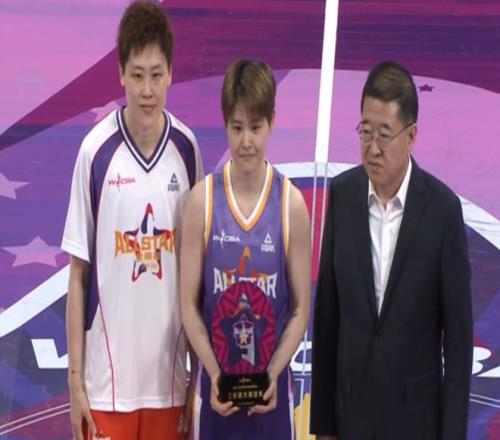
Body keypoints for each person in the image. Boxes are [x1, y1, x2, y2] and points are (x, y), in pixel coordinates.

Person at [61, 1, 203, 439]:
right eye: (137, 75)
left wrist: (196, 379)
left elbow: (196, 275)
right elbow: (78, 275)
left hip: (169, 388)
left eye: (156, 75)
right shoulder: (95, 152)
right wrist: (76, 381)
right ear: (121, 73)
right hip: (106, 391)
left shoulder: (187, 151)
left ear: (171, 74)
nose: (147, 90)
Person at [310, 60, 472, 440]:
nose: (373, 148)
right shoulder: (343, 196)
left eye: (384, 135)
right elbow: (328, 320)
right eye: (365, 132)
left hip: (415, 425)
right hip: (351, 421)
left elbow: (459, 344)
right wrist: (323, 429)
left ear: (411, 135)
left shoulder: (443, 212)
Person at [180, 59, 311, 439]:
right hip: (215, 396)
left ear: (272, 121)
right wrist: (215, 373)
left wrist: (272, 373)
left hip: (273, 399)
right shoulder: (202, 201)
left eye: (256, 127)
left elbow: (301, 310)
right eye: (237, 128)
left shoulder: (291, 204)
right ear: (225, 124)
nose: (246, 141)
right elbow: (188, 305)